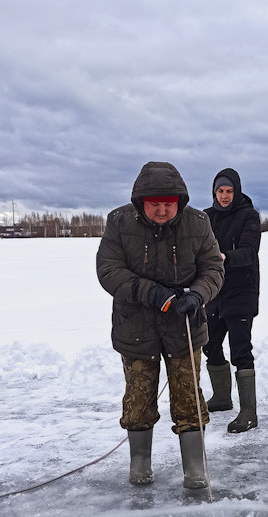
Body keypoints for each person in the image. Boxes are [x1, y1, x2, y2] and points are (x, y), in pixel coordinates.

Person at [96, 161, 224, 489]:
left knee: (188, 396)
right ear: (141, 203)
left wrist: (198, 295)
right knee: (138, 396)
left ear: (179, 201)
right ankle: (140, 461)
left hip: (184, 327)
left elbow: (213, 268)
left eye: (169, 204)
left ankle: (194, 465)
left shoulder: (198, 222)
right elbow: (108, 270)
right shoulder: (119, 222)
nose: (164, 211)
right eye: (156, 205)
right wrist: (152, 293)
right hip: (136, 327)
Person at [203, 168, 261, 433]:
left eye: (229, 191)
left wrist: (224, 257)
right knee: (210, 345)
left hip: (241, 292)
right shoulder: (206, 217)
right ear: (214, 192)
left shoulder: (249, 216)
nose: (224, 196)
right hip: (213, 292)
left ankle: (249, 412)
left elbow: (249, 253)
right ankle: (222, 398)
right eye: (220, 191)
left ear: (236, 191)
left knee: (240, 350)